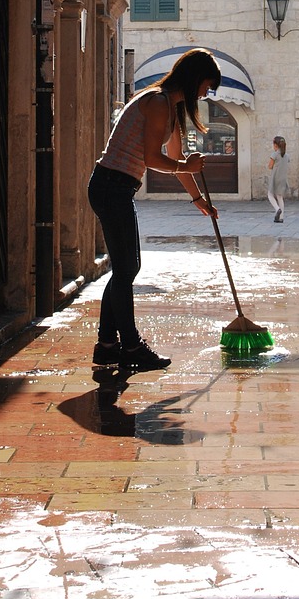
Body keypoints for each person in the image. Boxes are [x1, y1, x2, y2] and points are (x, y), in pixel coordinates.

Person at [88, 48, 222, 371]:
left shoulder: (171, 109)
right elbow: (153, 158)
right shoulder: (158, 102)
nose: (206, 93)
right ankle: (130, 346)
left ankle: (107, 345)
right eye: (206, 86)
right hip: (111, 186)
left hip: (119, 188)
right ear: (193, 79)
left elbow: (177, 158)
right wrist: (185, 166)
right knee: (127, 268)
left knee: (125, 268)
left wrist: (198, 200)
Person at [267, 136, 289, 223]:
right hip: (283, 178)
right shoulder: (286, 156)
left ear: (275, 145)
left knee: (270, 194)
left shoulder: (274, 154)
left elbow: (270, 166)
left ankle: (277, 209)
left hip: (275, 177)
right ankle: (281, 217)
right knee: (280, 197)